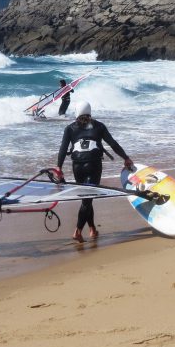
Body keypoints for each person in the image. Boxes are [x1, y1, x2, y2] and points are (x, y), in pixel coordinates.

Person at [56, 102, 134, 242]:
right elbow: (113, 143)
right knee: (87, 199)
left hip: (77, 166)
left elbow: (63, 149)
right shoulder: (99, 126)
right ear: (90, 112)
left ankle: (92, 229)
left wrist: (59, 168)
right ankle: (78, 231)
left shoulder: (70, 129)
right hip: (93, 165)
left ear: (76, 113)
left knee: (87, 198)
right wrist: (125, 157)